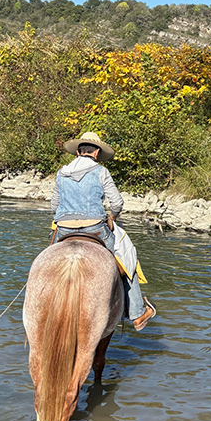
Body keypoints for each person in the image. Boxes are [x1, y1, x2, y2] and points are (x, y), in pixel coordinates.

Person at [51, 131, 156, 330]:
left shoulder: (61, 173)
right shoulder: (101, 171)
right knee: (126, 256)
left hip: (64, 230)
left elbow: (53, 207)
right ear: (97, 152)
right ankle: (137, 313)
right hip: (95, 229)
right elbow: (117, 203)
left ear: (78, 151)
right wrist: (112, 217)